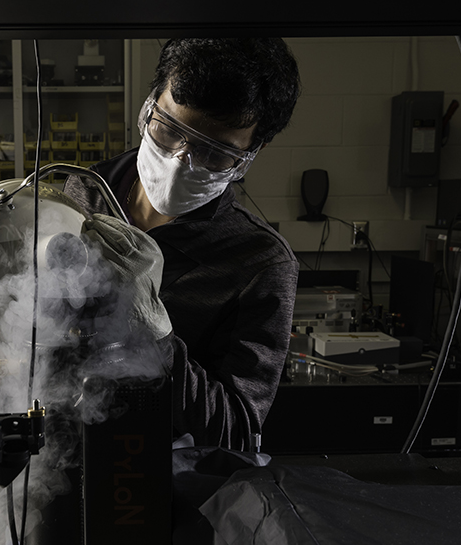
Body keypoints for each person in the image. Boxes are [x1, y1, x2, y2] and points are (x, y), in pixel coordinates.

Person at [67, 37, 301, 450]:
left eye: (214, 153)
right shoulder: (82, 194)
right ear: (149, 105)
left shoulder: (259, 263)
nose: (180, 158)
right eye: (169, 129)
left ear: (251, 153)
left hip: (159, 485)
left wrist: (157, 341)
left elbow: (239, 432)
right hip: (54, 460)